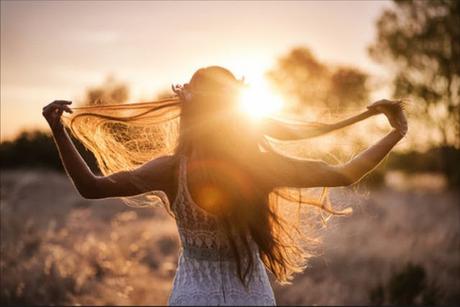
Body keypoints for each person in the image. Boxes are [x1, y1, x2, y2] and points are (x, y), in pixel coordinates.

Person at [42, 66, 407, 306]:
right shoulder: (259, 166)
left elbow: (91, 187)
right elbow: (345, 173)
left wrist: (59, 132)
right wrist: (396, 133)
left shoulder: (171, 171)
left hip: (191, 299)